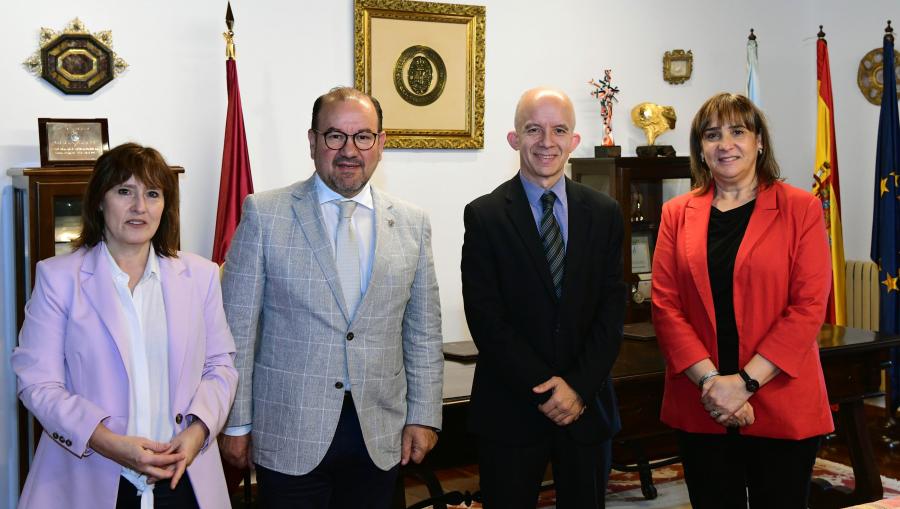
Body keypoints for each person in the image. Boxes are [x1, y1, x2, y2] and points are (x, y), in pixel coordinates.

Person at [219, 86, 443, 509]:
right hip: (290, 432)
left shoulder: (413, 224)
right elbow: (237, 330)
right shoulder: (265, 215)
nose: (349, 149)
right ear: (312, 141)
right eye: (335, 135)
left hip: (380, 433)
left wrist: (423, 415)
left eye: (363, 136)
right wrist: (236, 423)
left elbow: (424, 333)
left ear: (380, 144)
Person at [11, 143, 238, 509]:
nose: (139, 207)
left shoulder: (200, 276)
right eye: (124, 191)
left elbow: (220, 367)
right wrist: (105, 440)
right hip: (90, 476)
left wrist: (198, 431)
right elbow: (38, 383)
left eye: (152, 193)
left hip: (185, 479)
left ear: (166, 205)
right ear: (100, 200)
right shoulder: (58, 278)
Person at [651, 92, 834, 508]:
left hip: (780, 393)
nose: (725, 144)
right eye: (712, 135)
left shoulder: (801, 208)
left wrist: (745, 383)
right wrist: (715, 385)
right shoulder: (677, 213)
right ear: (700, 148)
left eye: (738, 131)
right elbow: (665, 306)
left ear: (759, 142)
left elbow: (808, 306)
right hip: (703, 400)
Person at [461, 87, 626, 508]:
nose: (546, 142)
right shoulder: (485, 215)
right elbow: (486, 318)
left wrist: (577, 389)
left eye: (559, 130)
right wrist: (547, 392)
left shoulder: (605, 212)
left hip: (585, 408)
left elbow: (611, 311)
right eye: (533, 129)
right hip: (511, 410)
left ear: (574, 141)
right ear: (514, 138)